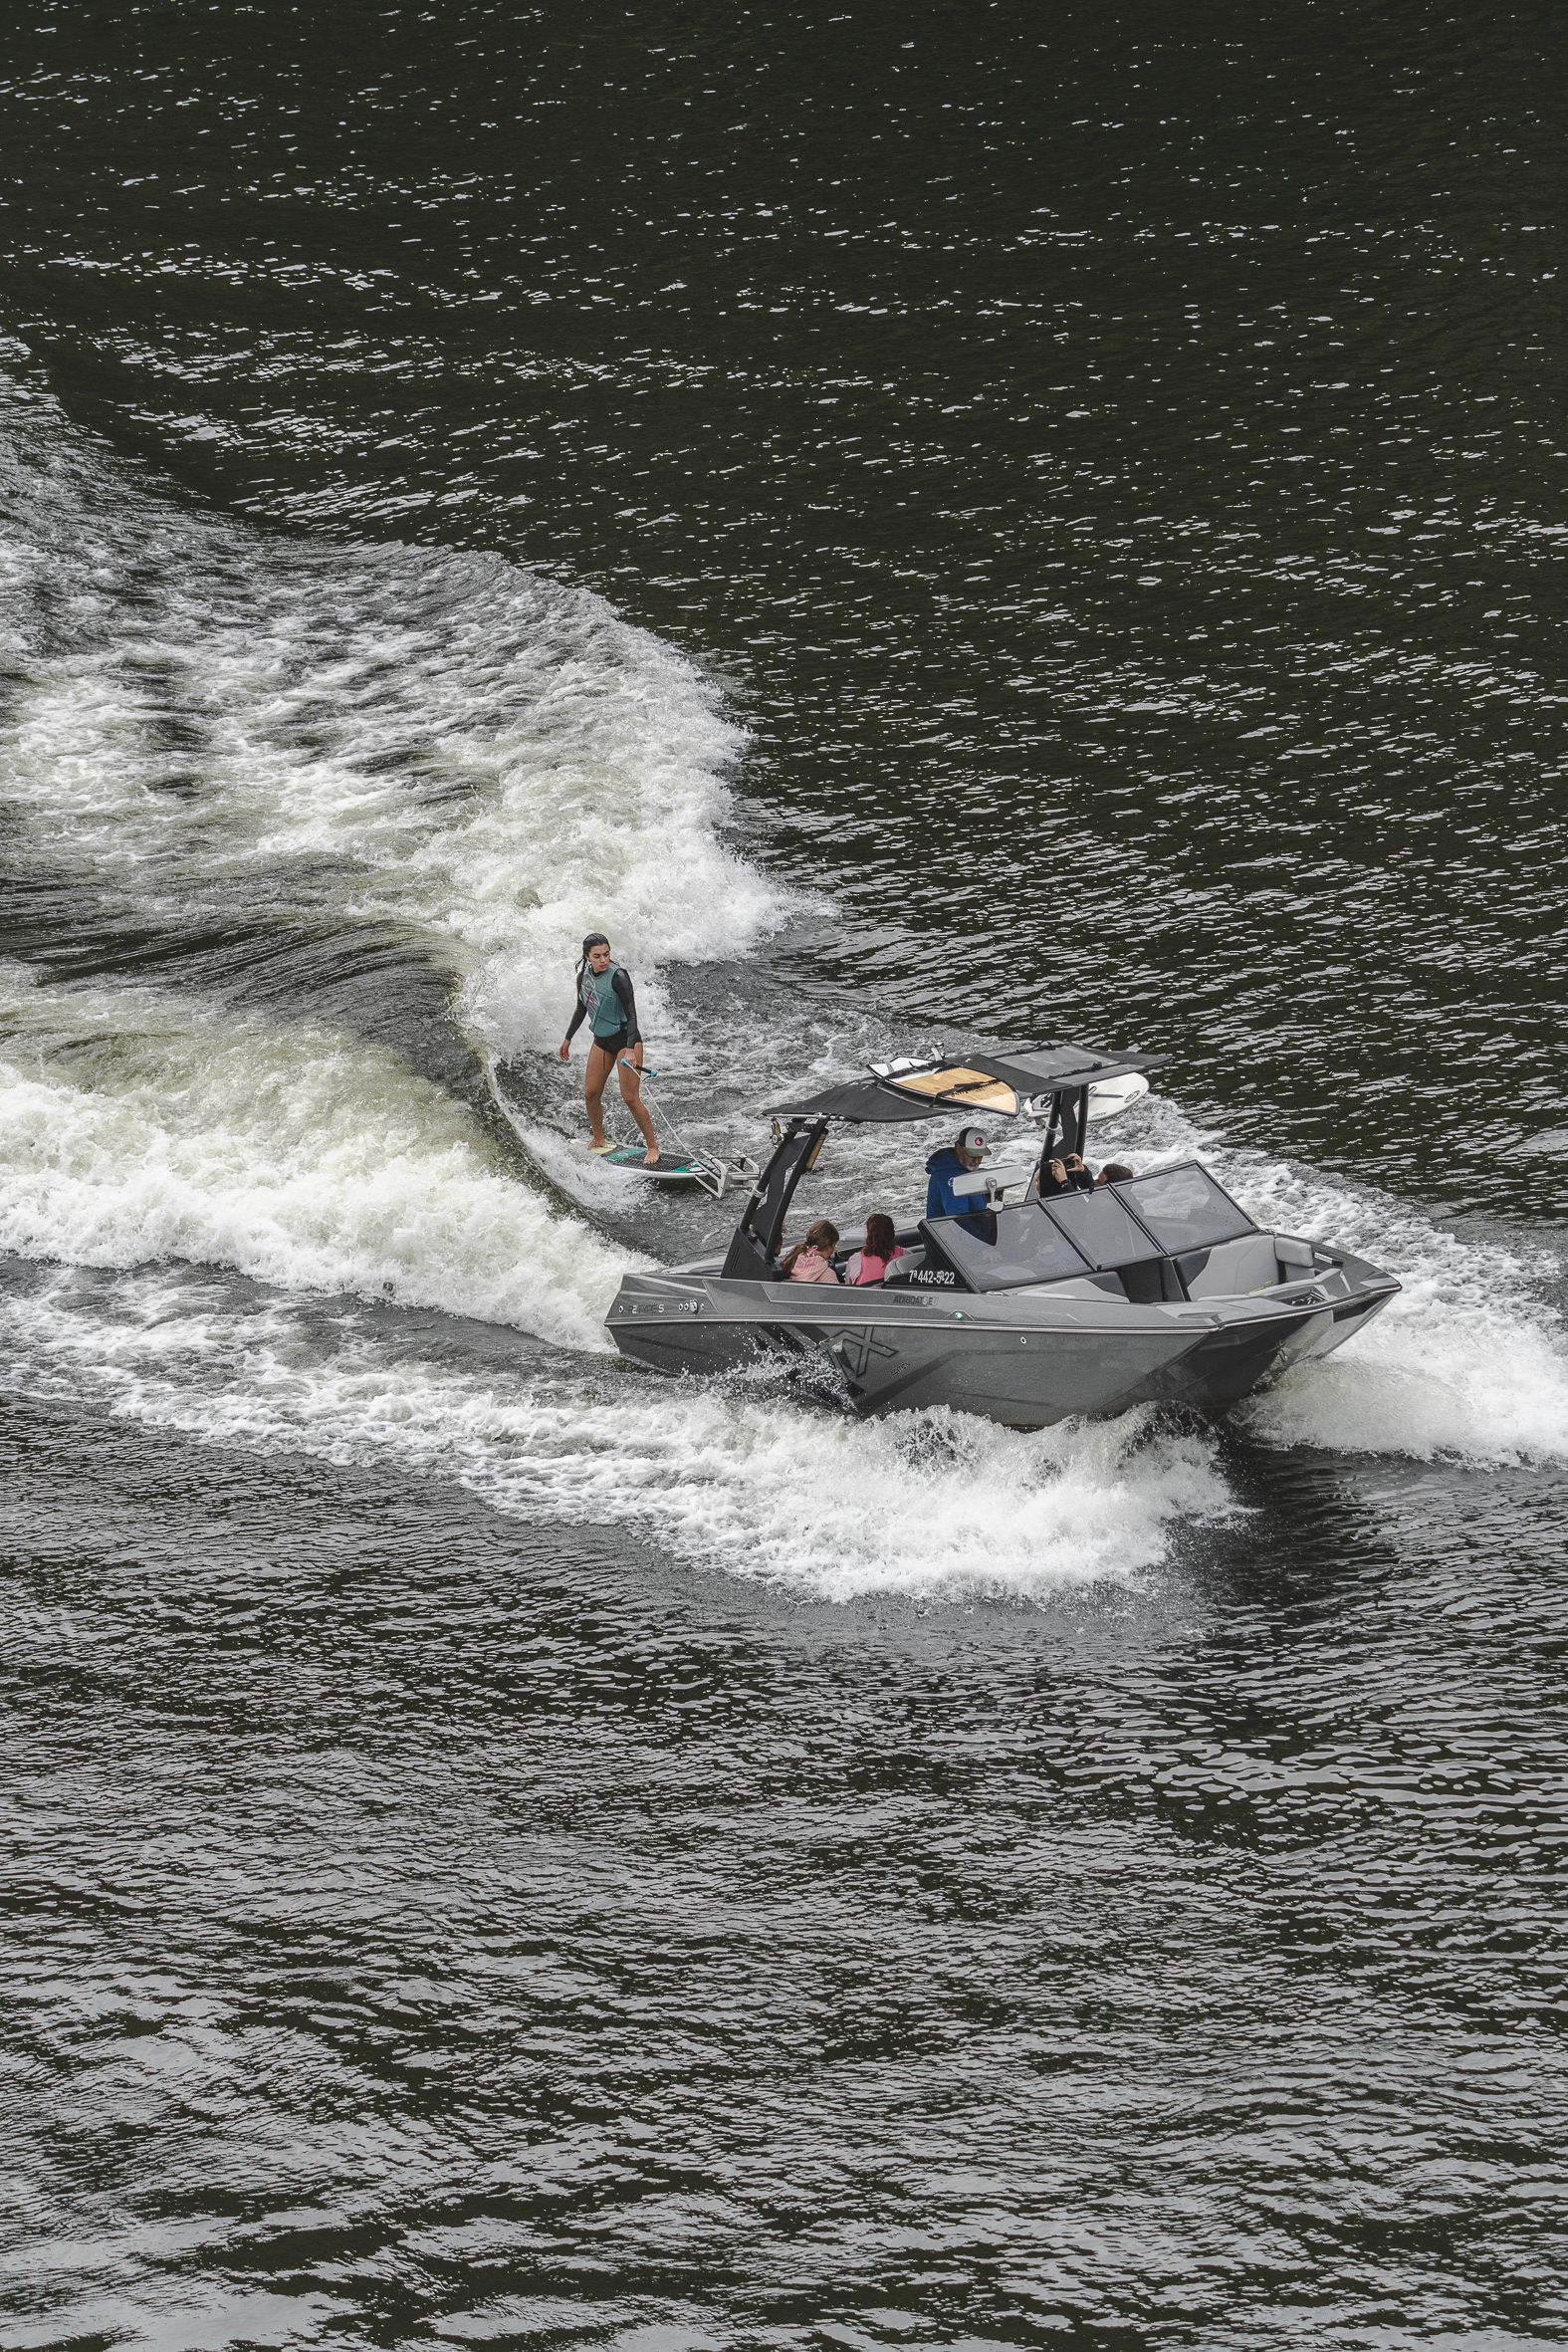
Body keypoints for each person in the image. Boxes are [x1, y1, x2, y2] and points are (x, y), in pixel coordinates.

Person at [558, 932, 659, 1168]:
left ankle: (653, 1146)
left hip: (626, 1040)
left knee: (630, 1097)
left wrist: (630, 1049)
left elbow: (632, 1015)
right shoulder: (583, 977)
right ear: (587, 956)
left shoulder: (619, 976)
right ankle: (598, 1137)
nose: (603, 960)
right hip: (601, 1041)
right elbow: (581, 1008)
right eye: (597, 956)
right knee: (591, 1093)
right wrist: (567, 1038)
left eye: (606, 954)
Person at [925, 1125, 988, 1220]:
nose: (977, 1161)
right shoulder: (950, 1178)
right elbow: (959, 1221)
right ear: (958, 1148)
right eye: (972, 1155)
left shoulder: (965, 1169)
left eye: (980, 1156)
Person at [844, 1213, 905, 1287]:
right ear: (893, 1233)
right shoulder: (906, 1256)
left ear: (868, 1235)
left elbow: (849, 1289)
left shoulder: (855, 1260)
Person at [781, 1220, 840, 1284]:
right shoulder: (828, 1276)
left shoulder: (792, 1262)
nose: (834, 1250)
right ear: (828, 1248)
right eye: (834, 1246)